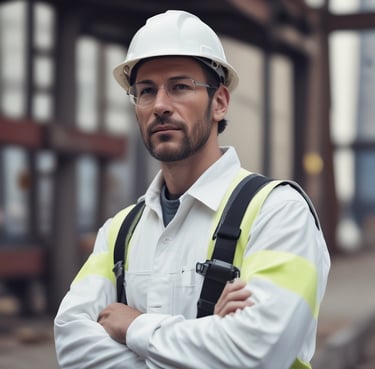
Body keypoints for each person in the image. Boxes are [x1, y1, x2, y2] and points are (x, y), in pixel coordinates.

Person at [54, 10, 330, 369]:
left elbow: (259, 352)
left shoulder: (278, 213)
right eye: (146, 91)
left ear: (220, 102)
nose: (161, 105)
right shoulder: (120, 232)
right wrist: (211, 339)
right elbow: (72, 347)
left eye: (181, 87)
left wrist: (135, 326)